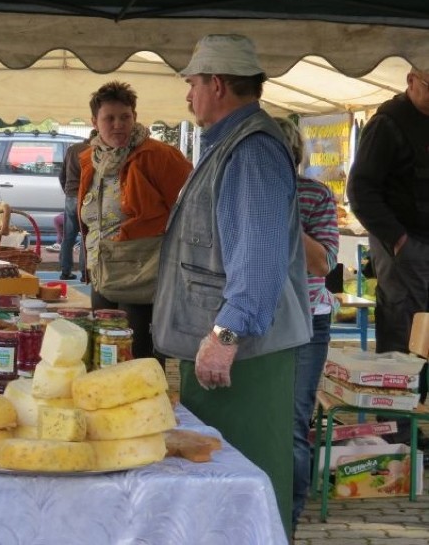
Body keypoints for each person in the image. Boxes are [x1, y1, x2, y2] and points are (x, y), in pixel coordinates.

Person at [152, 34, 312, 537]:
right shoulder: (231, 145)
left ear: (218, 84)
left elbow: (259, 259)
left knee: (243, 492)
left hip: (245, 357)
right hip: (231, 352)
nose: (188, 95)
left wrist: (225, 337)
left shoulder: (252, 152)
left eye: (194, 84)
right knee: (222, 497)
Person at [79, 80, 192, 359]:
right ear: (94, 121)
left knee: (138, 353)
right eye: (109, 118)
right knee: (104, 350)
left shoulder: (158, 156)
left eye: (125, 117)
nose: (118, 124)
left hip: (141, 270)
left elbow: (192, 206)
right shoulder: (88, 161)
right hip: (101, 270)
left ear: (135, 117)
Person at [346, 67, 429, 439]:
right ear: (411, 80)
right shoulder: (387, 124)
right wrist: (398, 240)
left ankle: (417, 422)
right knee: (402, 331)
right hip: (402, 245)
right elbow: (361, 189)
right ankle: (397, 431)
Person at [273, 117, 339, 532]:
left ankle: (288, 524)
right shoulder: (236, 194)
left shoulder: (314, 196)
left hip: (307, 324)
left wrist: (281, 214)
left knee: (293, 422)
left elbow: (323, 262)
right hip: (245, 326)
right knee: (255, 417)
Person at [58, 135, 91, 280]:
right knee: (86, 236)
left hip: (70, 196)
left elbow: (61, 175)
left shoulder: (71, 150)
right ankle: (85, 273)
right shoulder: (93, 150)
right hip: (86, 198)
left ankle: (65, 271)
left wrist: (68, 191)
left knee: (68, 237)